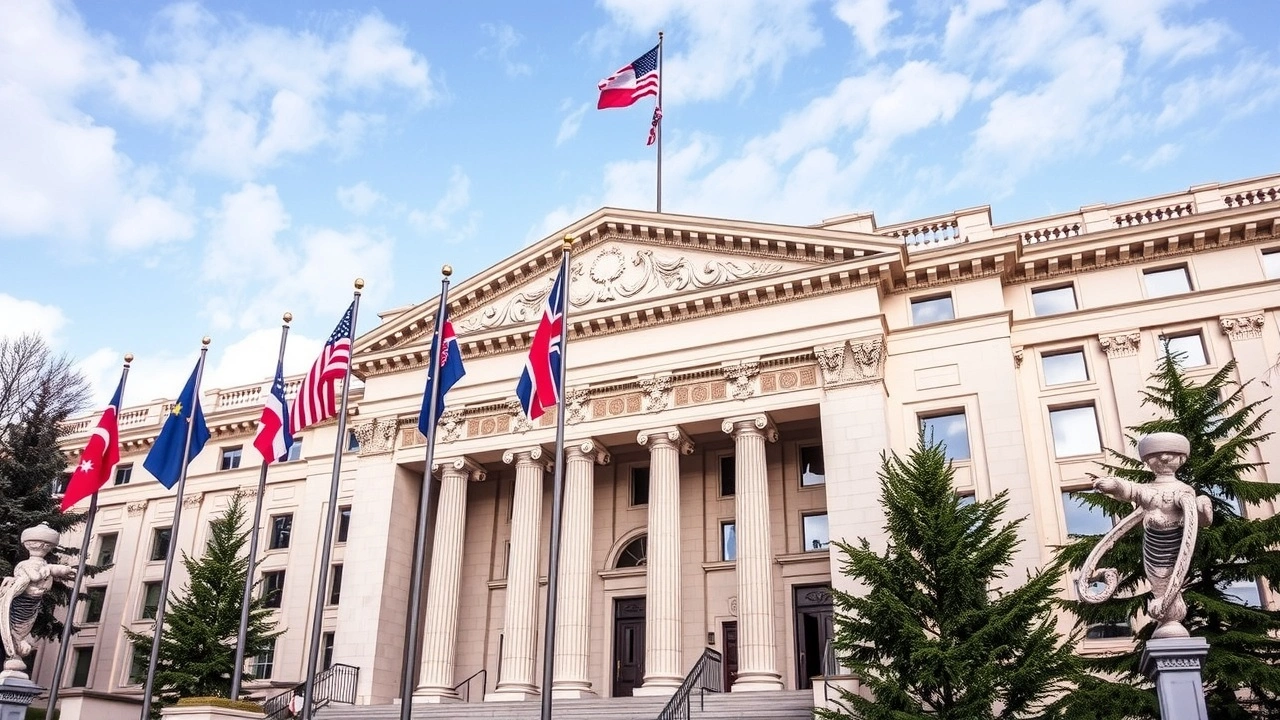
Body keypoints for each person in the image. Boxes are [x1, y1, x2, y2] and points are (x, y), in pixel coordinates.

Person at [0, 523, 77, 679]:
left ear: (19, 646)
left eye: (25, 649)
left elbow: (38, 575)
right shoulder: (25, 566)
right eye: (29, 649)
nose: (28, 648)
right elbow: (36, 576)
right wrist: (61, 570)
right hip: (28, 604)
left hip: (27, 604)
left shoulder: (14, 635)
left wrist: (59, 570)